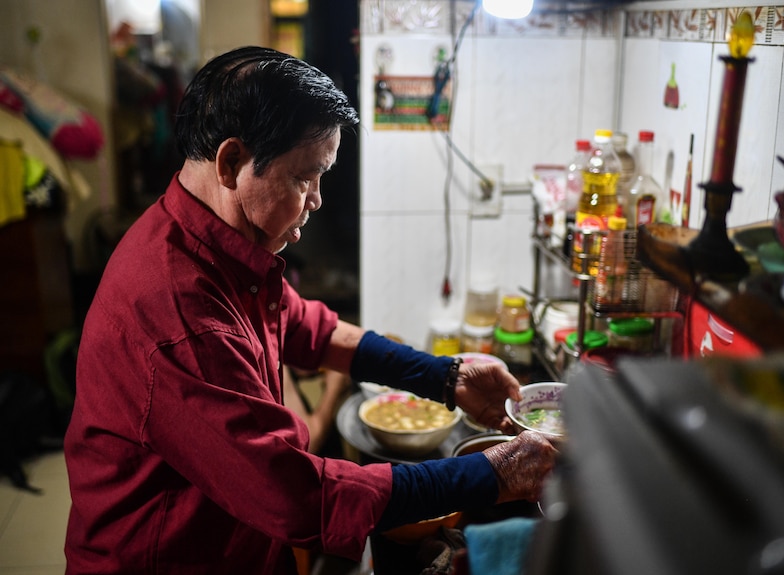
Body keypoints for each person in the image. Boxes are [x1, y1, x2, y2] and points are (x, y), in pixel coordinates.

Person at [63, 46, 557, 574]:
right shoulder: (176, 313)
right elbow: (296, 495)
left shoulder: (211, 245)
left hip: (239, 545)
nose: (317, 199)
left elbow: (305, 326)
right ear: (232, 163)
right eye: (305, 177)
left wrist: (444, 376)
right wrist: (494, 474)